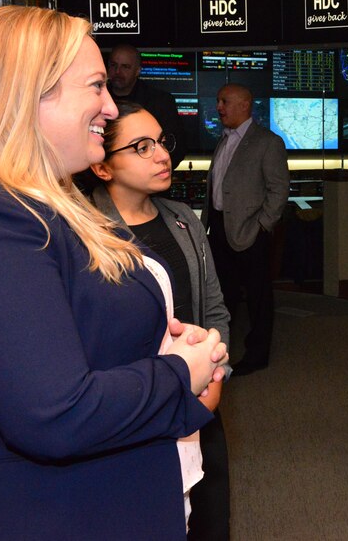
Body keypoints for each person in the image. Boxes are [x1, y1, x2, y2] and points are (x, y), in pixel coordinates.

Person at [0, 6, 226, 539]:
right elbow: (56, 413)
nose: (110, 106)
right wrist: (180, 373)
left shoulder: (47, 207)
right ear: (28, 95)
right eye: (95, 86)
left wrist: (172, 353)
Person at [90, 102, 233, 541]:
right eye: (142, 147)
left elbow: (214, 309)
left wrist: (216, 376)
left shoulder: (184, 220)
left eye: (162, 143)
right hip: (136, 411)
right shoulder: (86, 233)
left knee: (210, 521)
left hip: (202, 402)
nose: (162, 155)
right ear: (102, 168)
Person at [201, 83, 289, 376]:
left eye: (224, 101)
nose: (219, 107)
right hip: (219, 231)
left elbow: (278, 190)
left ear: (245, 104)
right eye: (218, 101)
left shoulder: (267, 142)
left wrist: (262, 226)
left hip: (251, 234)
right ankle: (220, 351)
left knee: (258, 298)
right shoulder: (223, 140)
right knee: (221, 296)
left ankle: (257, 355)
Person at [107, 43, 188, 168]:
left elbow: (176, 149)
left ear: (137, 71)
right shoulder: (94, 99)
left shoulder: (161, 102)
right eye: (113, 65)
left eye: (125, 67)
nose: (118, 72)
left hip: (147, 181)